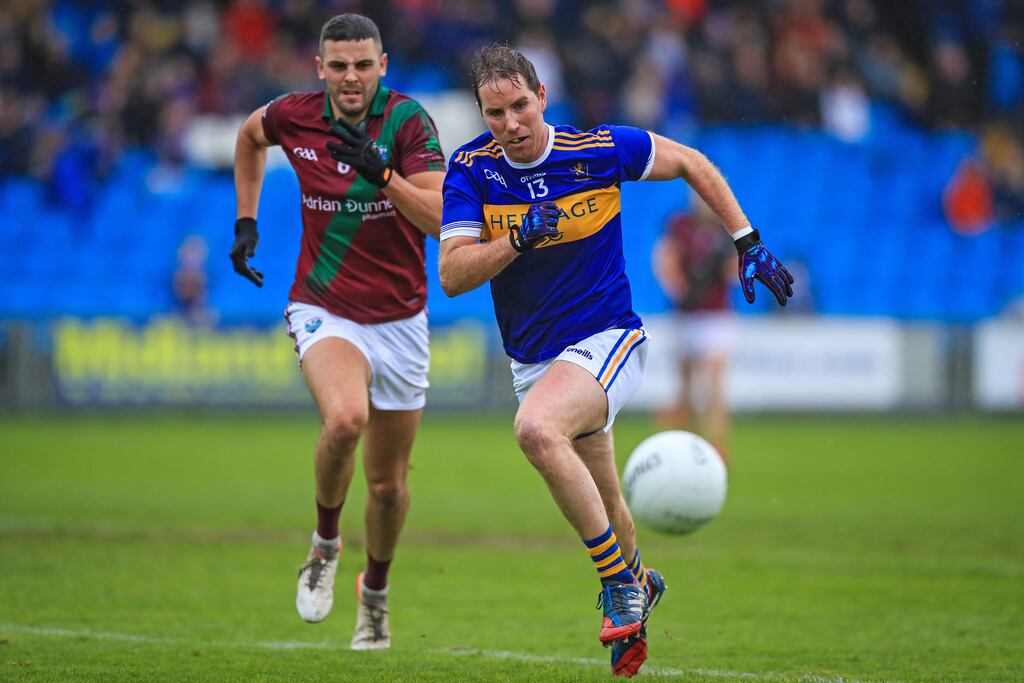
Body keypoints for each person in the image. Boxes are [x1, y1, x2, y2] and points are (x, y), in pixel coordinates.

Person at [437, 44, 793, 677]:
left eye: (521, 105)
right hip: (535, 362)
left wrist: (747, 241)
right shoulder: (471, 171)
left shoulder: (597, 149)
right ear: (481, 113)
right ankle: (638, 583)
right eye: (496, 113)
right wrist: (517, 237)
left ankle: (618, 586)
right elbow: (453, 275)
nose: (512, 124)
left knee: (537, 431)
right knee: (607, 500)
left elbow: (689, 161)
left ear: (542, 95)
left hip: (609, 339)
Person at [230, 14, 446, 650]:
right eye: (339, 66)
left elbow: (439, 220)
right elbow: (248, 137)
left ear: (382, 67)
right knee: (345, 418)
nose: (351, 77)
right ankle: (325, 544)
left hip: (401, 319)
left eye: (363, 65)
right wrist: (246, 220)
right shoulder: (295, 116)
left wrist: (384, 175)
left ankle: (373, 594)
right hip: (325, 307)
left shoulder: (409, 123)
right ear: (319, 68)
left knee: (387, 488)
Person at [651, 193, 737, 463]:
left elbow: (736, 270)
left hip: (715, 316)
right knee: (685, 385)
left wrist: (722, 266)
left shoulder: (727, 227)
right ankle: (687, 444)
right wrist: (680, 289)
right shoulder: (679, 224)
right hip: (686, 315)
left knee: (713, 383)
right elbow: (665, 258)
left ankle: (717, 444)